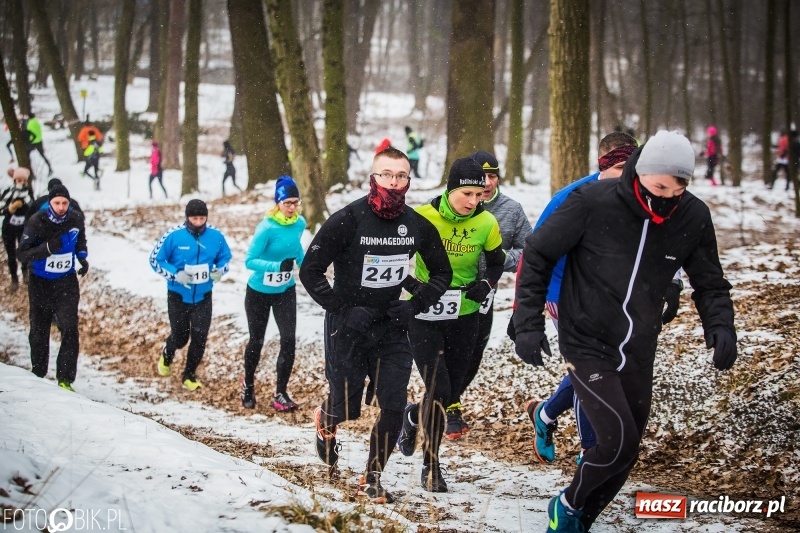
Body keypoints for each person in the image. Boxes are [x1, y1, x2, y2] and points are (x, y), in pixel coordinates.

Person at [511, 130, 737, 531]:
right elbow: (538, 253)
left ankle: (579, 519)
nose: (666, 199)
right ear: (639, 172)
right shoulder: (592, 201)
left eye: (677, 190)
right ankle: (567, 504)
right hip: (585, 340)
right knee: (615, 443)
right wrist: (527, 323)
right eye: (659, 188)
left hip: (638, 346)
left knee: (625, 452)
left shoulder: (693, 216)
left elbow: (710, 282)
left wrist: (720, 325)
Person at [299, 147, 452, 503]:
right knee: (346, 404)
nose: (393, 182)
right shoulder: (348, 219)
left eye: (401, 176)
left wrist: (414, 305)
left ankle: (372, 478)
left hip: (392, 326)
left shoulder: (415, 224)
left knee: (394, 404)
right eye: (387, 175)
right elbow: (310, 271)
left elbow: (441, 272)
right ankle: (326, 419)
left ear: (408, 180)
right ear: (373, 177)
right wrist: (343, 309)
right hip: (347, 327)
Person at [522, 132, 644, 464]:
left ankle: (545, 414)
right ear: (602, 164)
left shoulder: (642, 196)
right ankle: (591, 450)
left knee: (606, 366)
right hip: (564, 294)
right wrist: (525, 314)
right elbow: (536, 252)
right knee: (589, 368)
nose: (627, 175)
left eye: (632, 166)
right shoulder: (571, 197)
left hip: (611, 298)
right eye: (619, 167)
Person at [397, 157, 505, 493]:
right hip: (425, 315)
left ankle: (413, 415)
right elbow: (397, 260)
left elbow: (497, 263)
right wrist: (415, 286)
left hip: (465, 314)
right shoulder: (422, 216)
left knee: (448, 391)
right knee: (439, 387)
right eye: (467, 194)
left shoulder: (486, 222)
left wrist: (485, 283)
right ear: (451, 189)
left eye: (479, 195)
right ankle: (431, 465)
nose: (474, 201)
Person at [445, 150, 532, 439]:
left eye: (492, 176)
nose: (486, 183)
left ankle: (448, 401)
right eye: (481, 177)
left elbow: (529, 251)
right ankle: (448, 405)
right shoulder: (452, 203)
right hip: (447, 290)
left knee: (472, 353)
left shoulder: (511, 210)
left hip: (484, 291)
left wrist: (499, 258)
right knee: (444, 351)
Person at [149, 199, 233, 391]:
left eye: (202, 218)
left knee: (200, 337)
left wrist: (220, 271)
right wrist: (175, 274)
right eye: (194, 219)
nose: (198, 222)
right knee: (180, 338)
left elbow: (225, 258)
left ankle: (189, 375)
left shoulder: (216, 236)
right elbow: (156, 260)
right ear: (187, 218)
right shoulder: (173, 235)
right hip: (178, 295)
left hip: (203, 296)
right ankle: (168, 352)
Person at [241, 176, 305, 412]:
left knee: (288, 340)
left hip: (285, 291)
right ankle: (248, 383)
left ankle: (281, 393)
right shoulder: (266, 228)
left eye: (296, 202)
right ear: (278, 203)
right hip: (258, 292)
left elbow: (296, 249)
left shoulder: (299, 224)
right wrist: (276, 267)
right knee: (256, 341)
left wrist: (308, 265)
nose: (292, 207)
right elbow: (249, 261)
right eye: (287, 203)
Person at [17, 184, 89, 391]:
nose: (61, 207)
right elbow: (22, 254)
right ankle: (38, 373)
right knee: (39, 330)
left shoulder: (75, 219)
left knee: (69, 328)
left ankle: (65, 379)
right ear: (50, 203)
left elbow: (80, 240)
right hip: (40, 282)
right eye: (57, 203)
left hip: (66, 281)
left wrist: (82, 257)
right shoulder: (37, 222)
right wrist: (46, 249)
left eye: (64, 203)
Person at [0, 167, 35, 291]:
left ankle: (25, 273)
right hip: (8, 228)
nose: (21, 182)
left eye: (23, 180)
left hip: (23, 228)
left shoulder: (28, 193)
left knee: (24, 251)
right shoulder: (8, 192)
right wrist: (9, 208)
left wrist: (25, 204)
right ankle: (14, 279)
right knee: (11, 254)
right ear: (14, 180)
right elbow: (1, 208)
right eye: (19, 180)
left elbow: (33, 208)